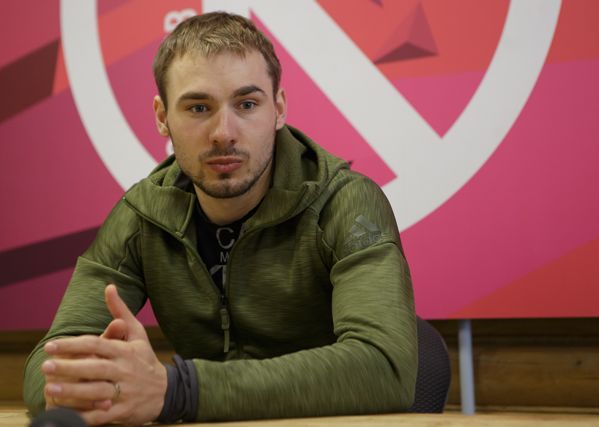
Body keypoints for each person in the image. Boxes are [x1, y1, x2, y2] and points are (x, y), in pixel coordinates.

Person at [23, 11, 417, 425]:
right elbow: (50, 363)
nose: (223, 132)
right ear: (162, 117)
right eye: (198, 107)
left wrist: (177, 391)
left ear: (278, 109)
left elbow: (387, 366)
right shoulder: (141, 214)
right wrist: (108, 386)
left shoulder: (345, 201)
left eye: (247, 104)